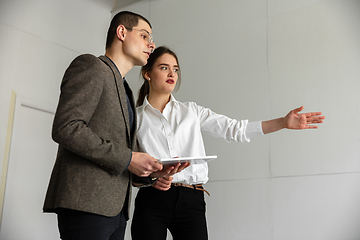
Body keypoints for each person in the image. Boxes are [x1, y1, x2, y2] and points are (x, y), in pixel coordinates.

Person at [130, 46, 325, 240]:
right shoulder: (134, 118)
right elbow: (126, 165)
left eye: (176, 69)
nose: (172, 73)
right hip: (152, 201)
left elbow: (236, 129)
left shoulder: (192, 112)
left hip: (191, 199)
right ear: (147, 73)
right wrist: (152, 178)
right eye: (164, 67)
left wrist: (283, 122)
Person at [43, 12, 185, 240]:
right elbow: (66, 127)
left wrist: (152, 173)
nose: (152, 44)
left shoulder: (125, 89)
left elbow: (120, 158)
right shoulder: (91, 66)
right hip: (86, 205)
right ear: (121, 32)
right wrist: (129, 158)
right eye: (144, 35)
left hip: (116, 213)